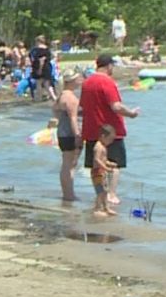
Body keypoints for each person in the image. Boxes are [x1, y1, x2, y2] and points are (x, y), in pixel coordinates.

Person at [81, 54, 139, 205]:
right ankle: (111, 195)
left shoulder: (86, 83)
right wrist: (131, 114)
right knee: (114, 164)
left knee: (96, 165)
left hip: (91, 129)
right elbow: (116, 106)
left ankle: (99, 195)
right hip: (110, 132)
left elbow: (83, 107)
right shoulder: (107, 82)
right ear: (109, 66)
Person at [53, 71, 83, 201]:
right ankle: (69, 195)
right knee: (69, 165)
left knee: (67, 163)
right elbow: (73, 118)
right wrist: (77, 134)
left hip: (62, 132)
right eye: (78, 79)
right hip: (70, 133)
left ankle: (67, 193)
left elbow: (56, 114)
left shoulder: (60, 97)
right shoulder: (70, 98)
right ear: (71, 81)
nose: (80, 81)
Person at [90, 125, 118, 217]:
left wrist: (109, 163)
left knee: (105, 191)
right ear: (103, 136)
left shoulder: (103, 146)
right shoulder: (98, 146)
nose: (111, 142)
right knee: (100, 191)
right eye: (110, 139)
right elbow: (97, 159)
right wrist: (106, 168)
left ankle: (106, 208)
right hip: (97, 172)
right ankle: (97, 208)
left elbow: (103, 160)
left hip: (102, 171)